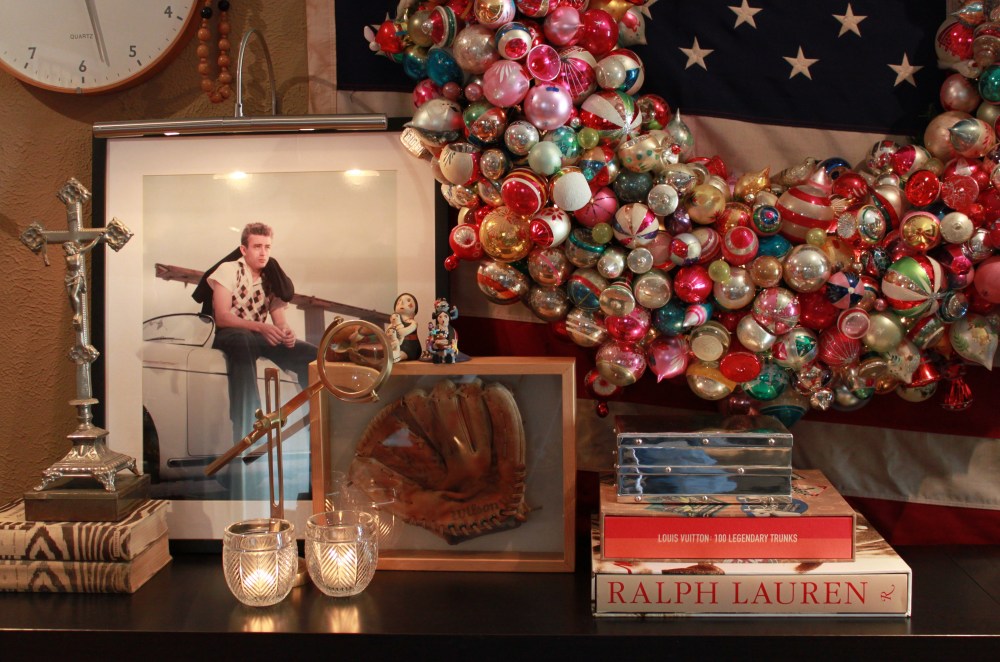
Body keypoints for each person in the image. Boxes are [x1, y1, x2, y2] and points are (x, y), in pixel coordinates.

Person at [192, 222, 317, 441]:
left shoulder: (272, 279)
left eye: (267, 247)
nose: (263, 253)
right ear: (244, 249)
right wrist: (261, 327)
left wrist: (286, 332)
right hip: (230, 334)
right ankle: (249, 427)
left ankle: (315, 421)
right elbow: (222, 317)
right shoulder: (228, 270)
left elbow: (280, 321)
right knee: (243, 339)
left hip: (257, 336)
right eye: (257, 246)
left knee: (312, 355)